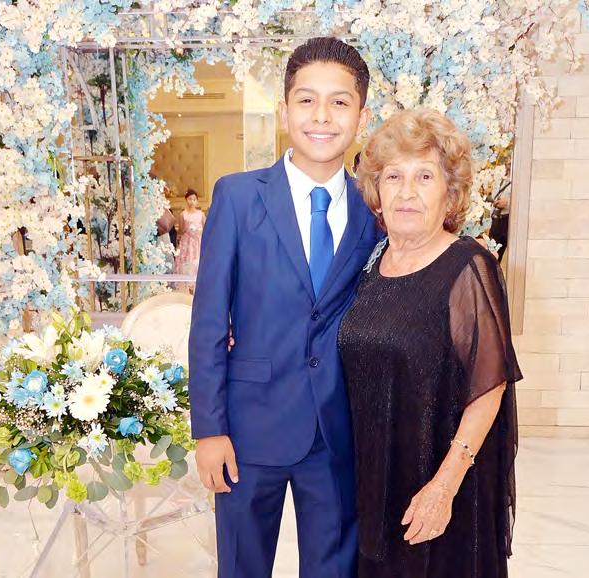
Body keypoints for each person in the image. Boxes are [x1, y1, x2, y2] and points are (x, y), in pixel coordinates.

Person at [188, 37, 379, 578]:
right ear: (284, 109)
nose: (322, 116)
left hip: (338, 432)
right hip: (248, 428)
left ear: (362, 117)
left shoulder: (374, 212)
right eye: (306, 100)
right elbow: (208, 322)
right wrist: (209, 429)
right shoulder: (237, 197)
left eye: (339, 102)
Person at [338, 108, 522, 578]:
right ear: (376, 191)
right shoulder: (370, 262)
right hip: (375, 479)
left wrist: (445, 485)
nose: (406, 191)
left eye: (424, 176)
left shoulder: (468, 266)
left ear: (450, 192)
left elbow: (490, 387)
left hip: (439, 481)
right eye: (393, 176)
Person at [173, 188, 205, 289]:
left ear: (197, 201)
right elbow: (180, 231)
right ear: (186, 200)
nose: (192, 201)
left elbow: (206, 229)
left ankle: (199, 284)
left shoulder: (201, 214)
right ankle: (189, 286)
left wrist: (198, 231)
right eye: (190, 199)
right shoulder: (183, 214)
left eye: (194, 199)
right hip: (187, 242)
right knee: (188, 262)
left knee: (198, 262)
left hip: (198, 242)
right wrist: (187, 228)